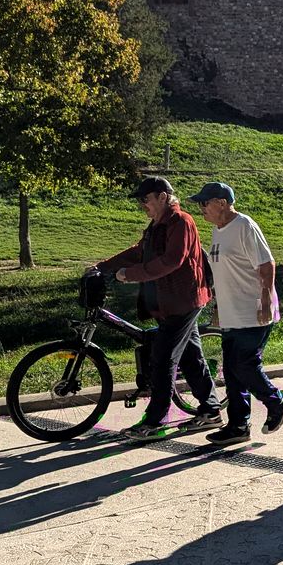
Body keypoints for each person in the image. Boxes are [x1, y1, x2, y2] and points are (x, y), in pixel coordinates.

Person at [98, 176, 223, 440]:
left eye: (146, 199)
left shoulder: (181, 222)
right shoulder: (157, 224)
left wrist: (130, 275)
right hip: (169, 303)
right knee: (191, 358)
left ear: (163, 197)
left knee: (163, 359)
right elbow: (139, 251)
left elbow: (172, 261)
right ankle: (211, 410)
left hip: (183, 301)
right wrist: (103, 266)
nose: (143, 205)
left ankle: (156, 421)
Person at [188, 181, 283, 446]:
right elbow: (224, 274)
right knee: (232, 372)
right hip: (231, 312)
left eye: (204, 203)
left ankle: (276, 401)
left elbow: (267, 264)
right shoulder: (218, 230)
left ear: (221, 203)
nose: (201, 209)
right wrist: (217, 308)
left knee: (244, 364)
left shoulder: (244, 226)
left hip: (253, 310)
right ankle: (238, 426)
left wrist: (266, 300)